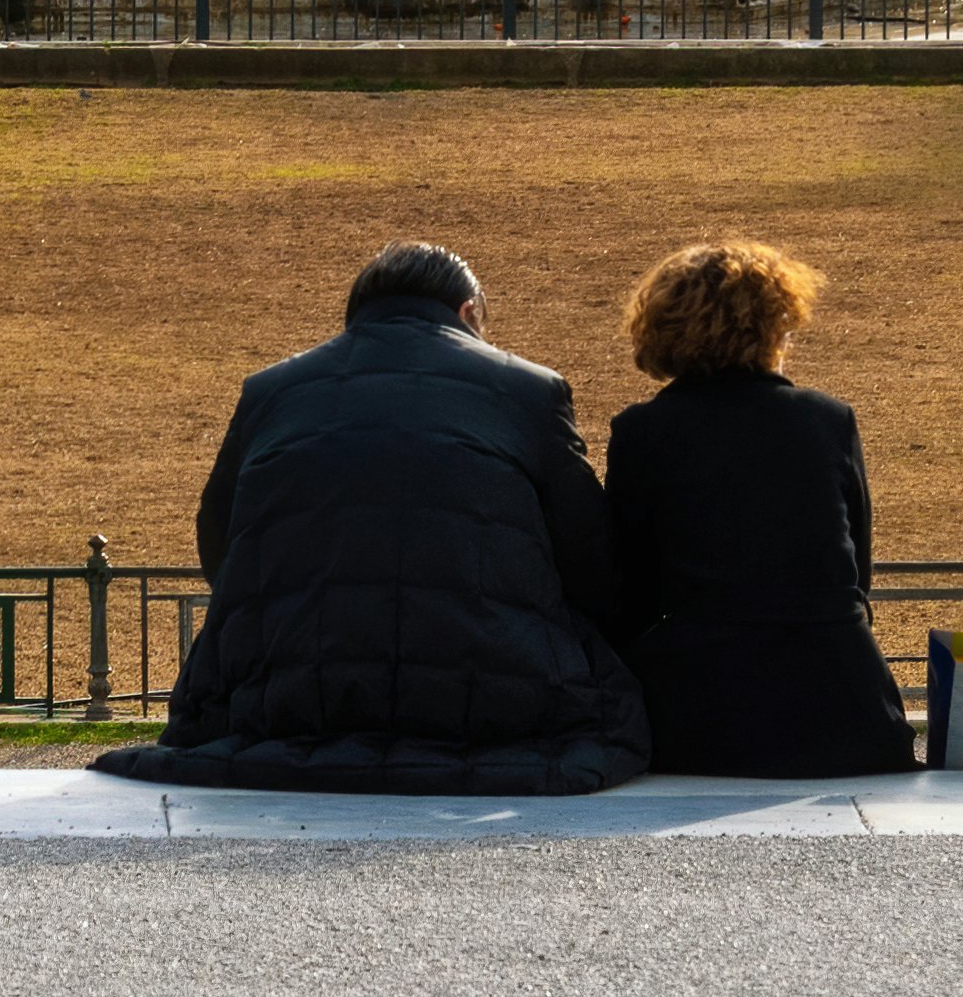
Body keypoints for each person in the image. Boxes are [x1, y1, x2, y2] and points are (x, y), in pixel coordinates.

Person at [96, 241, 646, 796]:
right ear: (468, 313)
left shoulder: (270, 390)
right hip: (496, 696)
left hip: (285, 695)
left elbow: (219, 541)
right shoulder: (530, 390)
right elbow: (590, 561)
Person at [599, 239, 916, 780]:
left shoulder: (642, 432)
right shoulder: (827, 420)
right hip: (841, 705)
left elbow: (630, 591)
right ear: (773, 326)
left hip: (701, 713)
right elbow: (854, 577)